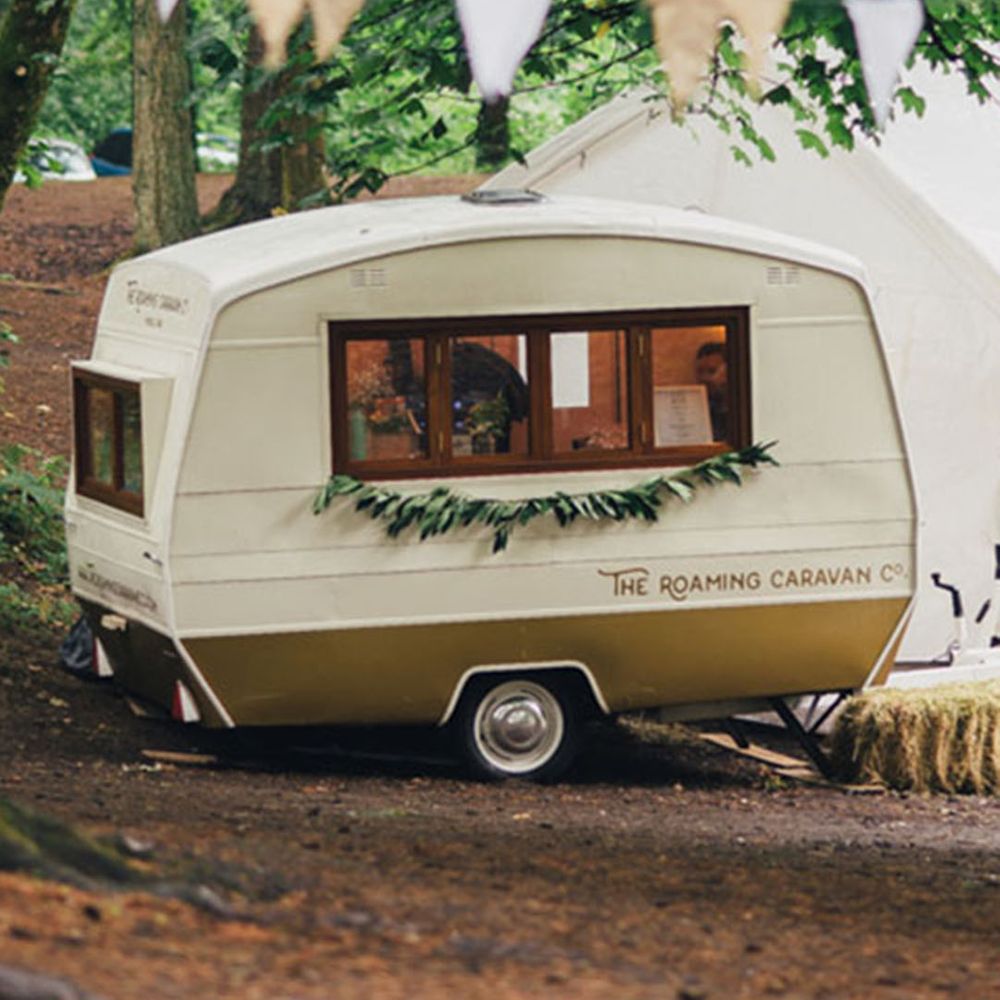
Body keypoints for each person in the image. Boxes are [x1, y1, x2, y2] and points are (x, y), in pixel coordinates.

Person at [695, 341, 729, 442]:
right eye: (700, 372)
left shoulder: (742, 413)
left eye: (712, 371)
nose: (704, 378)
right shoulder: (699, 410)